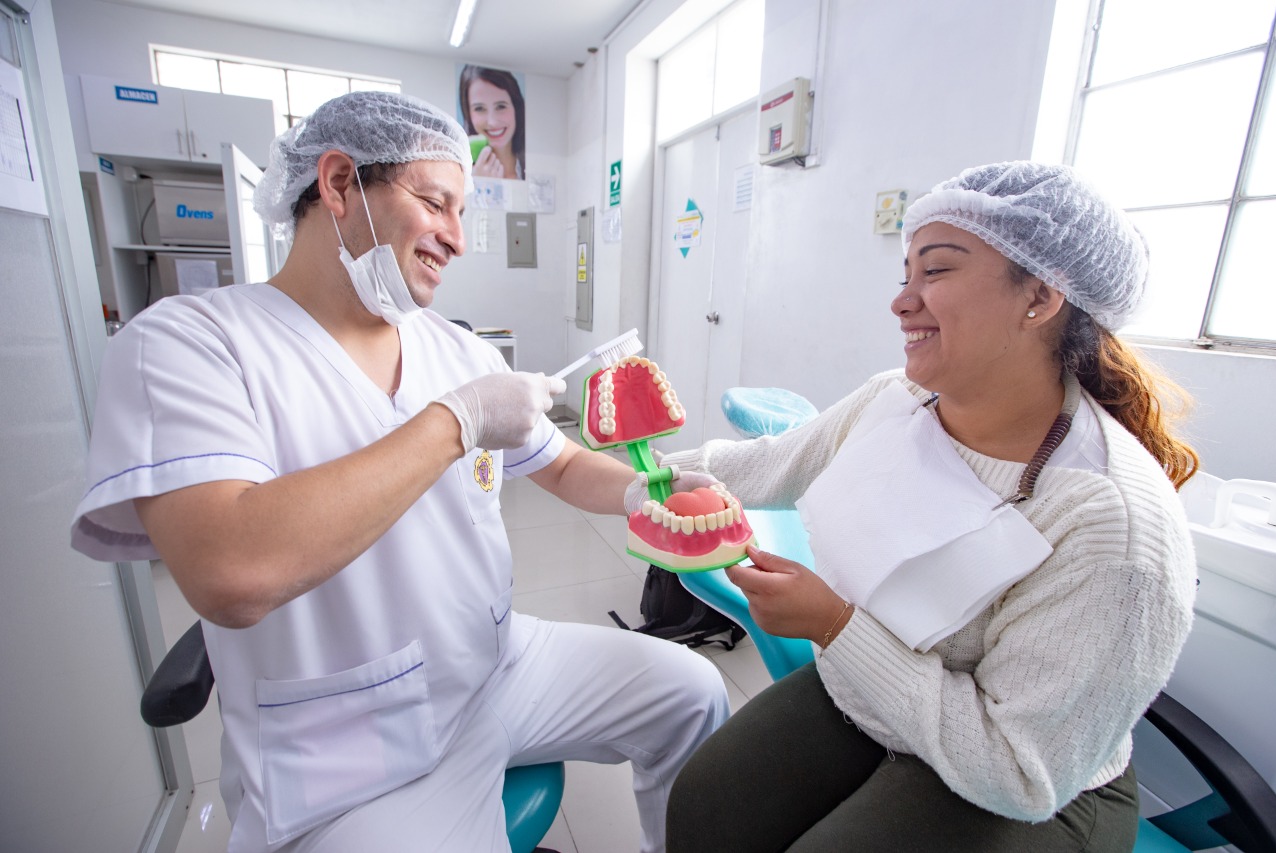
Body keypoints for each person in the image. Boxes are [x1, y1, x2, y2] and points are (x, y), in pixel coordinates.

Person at [70, 90, 728, 853]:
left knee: (692, 695)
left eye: (464, 213)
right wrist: (456, 424)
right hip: (347, 741)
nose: (455, 237)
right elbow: (230, 568)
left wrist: (649, 491)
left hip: (498, 664)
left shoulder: (456, 349)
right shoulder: (191, 345)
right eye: (435, 202)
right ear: (341, 183)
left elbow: (561, 463)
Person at [661, 161, 1199, 852]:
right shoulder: (903, 399)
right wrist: (601, 471)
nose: (902, 302)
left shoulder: (1114, 527)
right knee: (709, 804)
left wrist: (832, 622)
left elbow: (1017, 773)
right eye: (904, 275)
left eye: (936, 271)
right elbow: (754, 466)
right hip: (882, 697)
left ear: (1039, 296)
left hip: (1027, 786)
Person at [459, 64, 525, 180]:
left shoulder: (530, 168)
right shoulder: (460, 176)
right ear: (468, 113)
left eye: (501, 106)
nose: (492, 122)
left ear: (516, 107)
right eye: (479, 108)